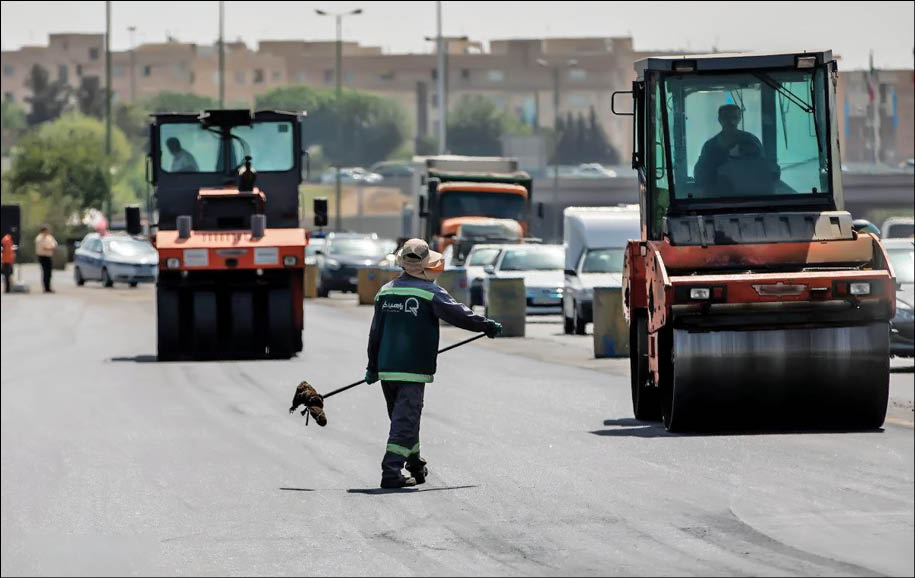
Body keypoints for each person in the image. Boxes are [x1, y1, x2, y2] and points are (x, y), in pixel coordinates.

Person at [365, 238, 503, 489]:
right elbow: (459, 313)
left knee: (403, 418)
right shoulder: (429, 292)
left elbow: (375, 334)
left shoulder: (385, 292)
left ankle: (414, 464)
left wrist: (372, 367)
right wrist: (486, 325)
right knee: (405, 420)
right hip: (413, 369)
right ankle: (391, 470)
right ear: (427, 265)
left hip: (386, 368)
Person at [693, 104, 777, 196]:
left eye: (734, 117)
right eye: (726, 117)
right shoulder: (710, 146)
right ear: (719, 119)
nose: (731, 121)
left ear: (739, 119)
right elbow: (700, 173)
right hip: (718, 198)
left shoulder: (751, 141)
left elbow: (763, 168)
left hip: (750, 195)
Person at [34, 225, 57, 294]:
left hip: (48, 256)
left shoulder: (49, 237)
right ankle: (46, 288)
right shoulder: (39, 238)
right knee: (45, 272)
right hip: (43, 257)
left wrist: (52, 247)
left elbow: (54, 244)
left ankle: (48, 287)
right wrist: (51, 248)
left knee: (49, 273)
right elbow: (43, 248)